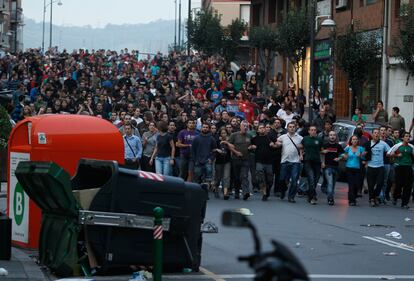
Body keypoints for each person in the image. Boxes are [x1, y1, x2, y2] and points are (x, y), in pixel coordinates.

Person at [221, 120, 252, 200]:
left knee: (244, 176)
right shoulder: (234, 135)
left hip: (246, 159)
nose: (245, 128)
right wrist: (236, 152)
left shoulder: (249, 135)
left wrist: (252, 147)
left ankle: (245, 192)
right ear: (240, 127)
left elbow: (252, 145)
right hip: (235, 159)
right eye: (244, 126)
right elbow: (228, 145)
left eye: (247, 126)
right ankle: (237, 192)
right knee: (237, 177)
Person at [275, 121, 303, 203]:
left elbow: (302, 147)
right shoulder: (283, 137)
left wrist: (301, 154)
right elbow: (277, 142)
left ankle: (291, 197)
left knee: (294, 180)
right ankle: (283, 191)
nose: (292, 128)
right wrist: (277, 143)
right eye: (290, 127)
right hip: (285, 161)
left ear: (296, 128)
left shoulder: (300, 138)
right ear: (287, 128)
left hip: (295, 161)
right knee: (282, 179)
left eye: (293, 127)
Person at [363, 128, 390, 207]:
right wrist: (363, 157)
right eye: (375, 133)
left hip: (380, 166)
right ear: (372, 134)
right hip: (370, 166)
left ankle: (375, 196)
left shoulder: (383, 144)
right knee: (370, 185)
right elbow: (362, 153)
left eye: (377, 133)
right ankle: (371, 199)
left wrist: (392, 154)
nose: (376, 134)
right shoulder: (368, 143)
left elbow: (389, 151)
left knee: (380, 183)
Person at [387, 132, 414, 209]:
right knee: (399, 184)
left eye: (409, 136)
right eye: (406, 136)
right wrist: (396, 155)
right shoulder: (398, 145)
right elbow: (388, 154)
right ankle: (395, 197)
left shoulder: (411, 147)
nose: (408, 138)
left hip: (408, 167)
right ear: (403, 138)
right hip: (399, 167)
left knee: (408, 186)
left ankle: (404, 203)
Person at [321, 131, 344, 205]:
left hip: (336, 167)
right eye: (330, 135)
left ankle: (327, 192)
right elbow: (321, 153)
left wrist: (339, 158)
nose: (332, 136)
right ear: (328, 136)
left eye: (334, 135)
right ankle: (330, 199)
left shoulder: (338, 146)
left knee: (333, 184)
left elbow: (343, 155)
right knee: (330, 183)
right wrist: (322, 162)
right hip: (327, 167)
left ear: (336, 136)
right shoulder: (325, 145)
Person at [251, 124, 274, 201]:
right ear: (257, 130)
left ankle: (267, 189)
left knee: (270, 179)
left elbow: (277, 144)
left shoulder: (270, 138)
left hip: (269, 161)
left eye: (263, 128)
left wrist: (273, 144)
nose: (262, 129)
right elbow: (250, 147)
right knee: (261, 177)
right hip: (259, 161)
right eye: (260, 128)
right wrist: (252, 147)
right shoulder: (254, 139)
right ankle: (264, 193)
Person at [302, 125, 323, 205]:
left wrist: (324, 153)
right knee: (311, 179)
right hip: (308, 161)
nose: (314, 131)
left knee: (316, 179)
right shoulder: (305, 139)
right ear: (309, 131)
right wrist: (301, 154)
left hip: (317, 161)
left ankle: (310, 195)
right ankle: (313, 197)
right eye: (312, 130)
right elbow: (301, 147)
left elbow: (322, 149)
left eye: (315, 130)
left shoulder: (319, 139)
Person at [342, 135, 366, 206]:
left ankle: (354, 197)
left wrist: (361, 156)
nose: (355, 141)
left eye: (356, 139)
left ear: (358, 141)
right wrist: (344, 156)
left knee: (356, 185)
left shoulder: (360, 148)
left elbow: (365, 157)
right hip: (349, 168)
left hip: (357, 169)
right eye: (353, 139)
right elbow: (341, 153)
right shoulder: (348, 148)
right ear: (351, 141)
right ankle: (351, 200)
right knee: (351, 184)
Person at [192, 123, 217, 188]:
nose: (205, 128)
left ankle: (206, 190)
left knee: (208, 176)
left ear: (209, 129)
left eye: (206, 127)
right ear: (201, 128)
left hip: (207, 160)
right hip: (198, 160)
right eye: (204, 127)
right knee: (197, 176)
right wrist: (195, 160)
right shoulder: (196, 138)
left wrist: (211, 159)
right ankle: (197, 189)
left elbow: (214, 150)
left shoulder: (212, 139)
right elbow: (193, 150)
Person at [214, 128, 232, 200]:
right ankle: (216, 188)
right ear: (220, 134)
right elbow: (212, 149)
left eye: (225, 133)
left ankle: (225, 193)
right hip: (218, 161)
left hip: (227, 161)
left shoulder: (229, 141)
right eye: (222, 133)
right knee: (218, 177)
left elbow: (233, 148)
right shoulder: (217, 141)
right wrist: (217, 150)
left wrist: (227, 143)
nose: (223, 134)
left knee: (226, 177)